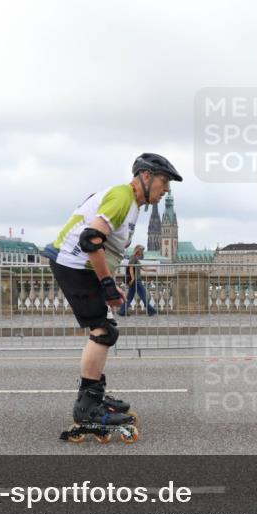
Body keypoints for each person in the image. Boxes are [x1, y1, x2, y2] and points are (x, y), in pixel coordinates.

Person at [43, 153, 182, 441]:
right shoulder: (122, 197)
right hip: (73, 264)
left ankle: (94, 396)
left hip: (80, 266)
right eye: (164, 181)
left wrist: (110, 283)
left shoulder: (131, 204)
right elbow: (90, 239)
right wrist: (106, 282)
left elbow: (104, 247)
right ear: (145, 176)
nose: (165, 188)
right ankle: (87, 406)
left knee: (106, 330)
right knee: (102, 331)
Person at [118, 245, 156, 316]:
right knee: (144, 295)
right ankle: (151, 311)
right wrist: (132, 278)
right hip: (136, 281)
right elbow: (131, 268)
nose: (142, 252)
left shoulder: (136, 258)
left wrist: (152, 270)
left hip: (135, 280)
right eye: (141, 250)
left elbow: (143, 269)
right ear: (138, 250)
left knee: (129, 297)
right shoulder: (133, 257)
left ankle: (122, 311)